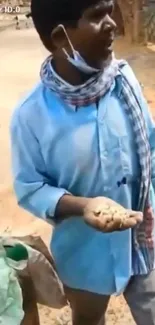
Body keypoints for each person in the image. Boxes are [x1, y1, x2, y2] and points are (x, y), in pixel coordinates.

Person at [10, 0, 155, 324]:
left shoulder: (124, 83)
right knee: (89, 319)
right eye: (96, 16)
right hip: (84, 254)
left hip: (143, 240)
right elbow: (30, 188)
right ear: (62, 36)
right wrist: (82, 207)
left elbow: (151, 146)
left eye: (110, 10)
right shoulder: (31, 116)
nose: (112, 23)